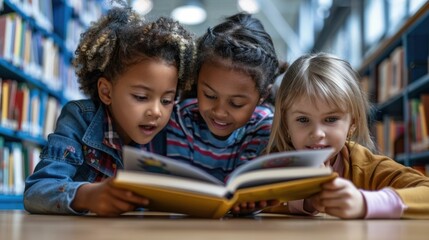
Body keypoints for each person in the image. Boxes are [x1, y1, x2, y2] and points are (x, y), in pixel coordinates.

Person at [23, 3, 195, 216]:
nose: (156, 111)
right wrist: (87, 195)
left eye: (167, 100)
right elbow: (36, 191)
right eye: (141, 97)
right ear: (106, 91)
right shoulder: (79, 119)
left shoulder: (171, 132)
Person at [263, 52, 429, 219]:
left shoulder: (367, 168)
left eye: (331, 119)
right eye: (303, 119)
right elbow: (250, 203)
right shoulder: (272, 163)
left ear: (352, 124)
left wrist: (365, 203)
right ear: (286, 125)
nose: (317, 133)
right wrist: (307, 202)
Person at [166, 12, 287, 215]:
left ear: (262, 95)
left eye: (236, 103)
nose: (220, 112)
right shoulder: (180, 118)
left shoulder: (267, 127)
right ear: (197, 80)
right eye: (209, 95)